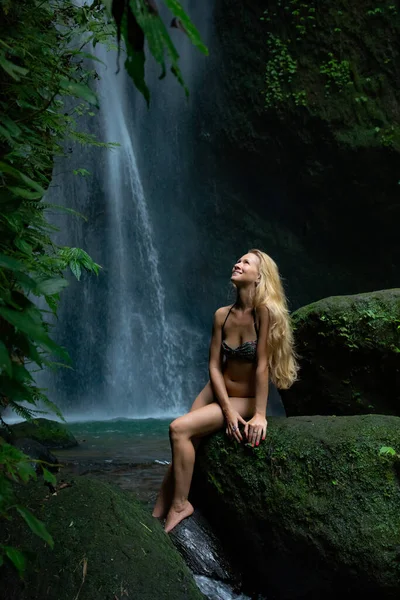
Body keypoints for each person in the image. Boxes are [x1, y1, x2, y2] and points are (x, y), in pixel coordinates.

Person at [152, 249, 299, 533]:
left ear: (259, 277)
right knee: (184, 441)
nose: (238, 263)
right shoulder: (222, 315)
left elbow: (262, 367)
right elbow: (215, 366)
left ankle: (181, 505)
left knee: (179, 428)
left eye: (246, 262)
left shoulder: (264, 314)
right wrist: (226, 411)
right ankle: (157, 512)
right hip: (217, 390)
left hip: (245, 398)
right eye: (238, 260)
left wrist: (259, 415)